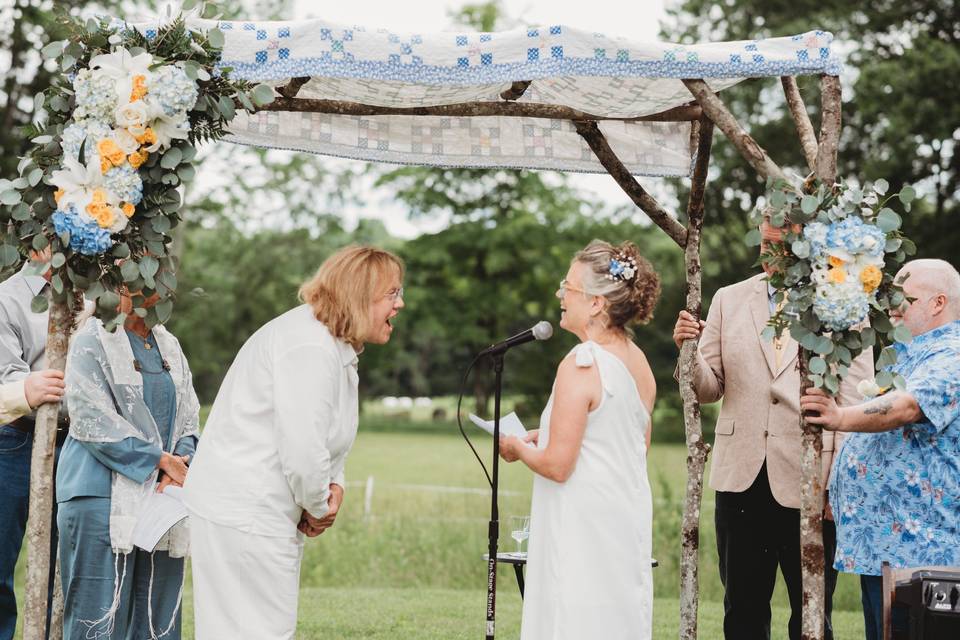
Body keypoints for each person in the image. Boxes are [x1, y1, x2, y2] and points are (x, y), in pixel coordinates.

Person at [183, 245, 405, 640]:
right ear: (359, 293)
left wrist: (334, 486)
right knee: (255, 631)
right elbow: (303, 452)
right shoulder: (310, 346)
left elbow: (327, 437)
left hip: (263, 509)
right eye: (392, 293)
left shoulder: (333, 345)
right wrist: (320, 506)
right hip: (246, 512)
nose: (400, 304)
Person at [672, 219, 873, 640]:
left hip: (810, 480)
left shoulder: (842, 303)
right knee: (741, 609)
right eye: (766, 244)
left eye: (782, 246)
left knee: (812, 615)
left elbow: (856, 402)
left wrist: (837, 483)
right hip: (740, 477)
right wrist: (688, 351)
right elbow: (709, 389)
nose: (771, 256)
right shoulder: (729, 299)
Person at [499, 240, 659, 640]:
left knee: (572, 616)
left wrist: (519, 447)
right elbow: (631, 444)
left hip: (581, 520)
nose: (560, 294)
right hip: (622, 516)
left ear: (595, 303)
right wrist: (549, 433)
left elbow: (557, 465)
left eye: (567, 287)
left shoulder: (581, 362)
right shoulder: (638, 361)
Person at [801, 258, 960, 640]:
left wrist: (839, 417)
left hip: (922, 551)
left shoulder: (952, 356)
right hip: (883, 547)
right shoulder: (910, 355)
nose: (891, 307)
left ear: (938, 303)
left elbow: (907, 407)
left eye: (903, 298)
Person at [57, 283, 200, 640]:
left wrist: (181, 461)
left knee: (156, 614)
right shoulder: (92, 339)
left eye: (162, 269)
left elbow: (189, 414)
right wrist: (157, 459)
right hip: (99, 496)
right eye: (143, 267)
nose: (157, 281)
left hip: (162, 497)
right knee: (99, 617)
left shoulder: (169, 344)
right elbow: (90, 416)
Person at [0, 255, 75, 640]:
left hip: (75, 444)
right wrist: (27, 388)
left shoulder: (95, 299)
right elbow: (5, 376)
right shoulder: (7, 298)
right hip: (11, 439)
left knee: (60, 567)